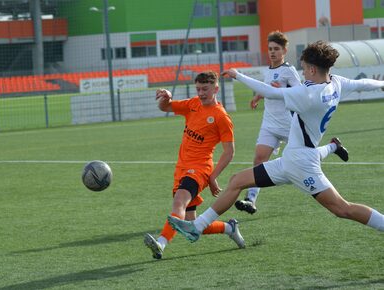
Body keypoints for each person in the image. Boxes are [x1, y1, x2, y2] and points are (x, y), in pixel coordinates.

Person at [168, 41, 384, 243]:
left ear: (311, 69)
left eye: (303, 68)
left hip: (301, 165)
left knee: (342, 209)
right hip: (290, 160)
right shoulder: (336, 83)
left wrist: (238, 75)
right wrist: (381, 83)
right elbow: (362, 83)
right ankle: (196, 226)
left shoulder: (308, 94)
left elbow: (270, 92)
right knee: (236, 181)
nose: (301, 72)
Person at [236, 31, 348, 215]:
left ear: (284, 50)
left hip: (290, 124)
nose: (272, 52)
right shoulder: (268, 69)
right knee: (259, 157)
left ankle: (333, 147)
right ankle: (251, 199)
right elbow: (267, 88)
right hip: (269, 123)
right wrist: (258, 96)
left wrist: (280, 90)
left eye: (276, 49)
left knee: (307, 154)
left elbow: (302, 90)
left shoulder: (289, 70)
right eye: (270, 49)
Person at [143, 71, 245, 259]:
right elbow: (164, 107)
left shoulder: (221, 117)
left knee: (179, 201)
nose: (201, 93)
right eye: (198, 89)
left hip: (200, 169)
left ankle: (161, 243)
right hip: (181, 168)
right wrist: (166, 97)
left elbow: (229, 152)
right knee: (192, 224)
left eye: (205, 89)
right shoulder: (192, 104)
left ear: (216, 88)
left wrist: (213, 176)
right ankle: (229, 228)